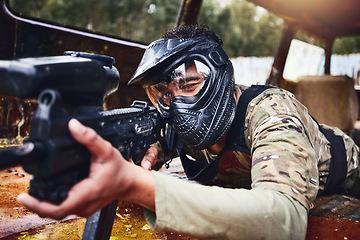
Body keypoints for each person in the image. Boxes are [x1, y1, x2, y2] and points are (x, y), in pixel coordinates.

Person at [18, 24, 360, 239]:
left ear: (220, 75)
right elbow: (159, 139)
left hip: (347, 177)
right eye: (161, 92)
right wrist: (145, 153)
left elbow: (284, 221)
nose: (174, 102)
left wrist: (138, 185)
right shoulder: (170, 119)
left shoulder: (271, 110)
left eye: (188, 83)